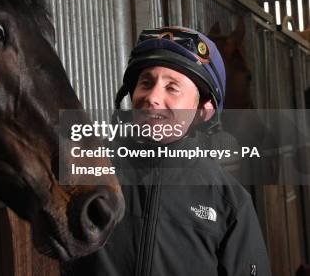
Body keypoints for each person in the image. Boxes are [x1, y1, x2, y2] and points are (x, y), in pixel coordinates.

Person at [65, 26, 271, 276]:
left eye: (172, 87)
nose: (152, 97)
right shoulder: (91, 173)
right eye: (146, 82)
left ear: (203, 111)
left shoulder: (229, 202)